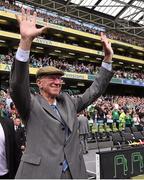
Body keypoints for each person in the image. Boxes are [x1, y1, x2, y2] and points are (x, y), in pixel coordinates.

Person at [9, 8, 114, 179]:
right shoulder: (30, 104)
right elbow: (17, 84)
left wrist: (107, 59)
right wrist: (25, 41)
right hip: (41, 174)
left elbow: (94, 91)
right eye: (52, 78)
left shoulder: (69, 102)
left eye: (59, 79)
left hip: (73, 173)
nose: (57, 82)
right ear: (39, 83)